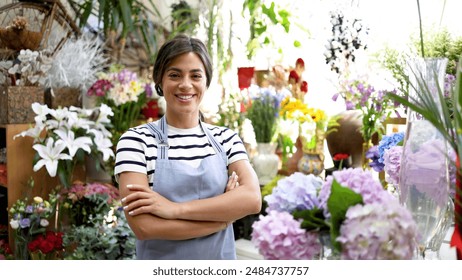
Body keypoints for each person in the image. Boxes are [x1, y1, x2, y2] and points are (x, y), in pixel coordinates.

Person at [114, 34, 262, 260]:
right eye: (174, 75)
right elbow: (144, 227)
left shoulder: (226, 139)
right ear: (160, 81)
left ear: (206, 82)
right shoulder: (136, 141)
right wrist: (222, 219)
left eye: (195, 76)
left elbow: (252, 198)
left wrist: (173, 209)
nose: (185, 84)